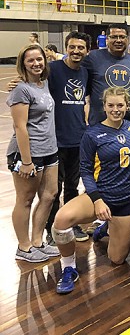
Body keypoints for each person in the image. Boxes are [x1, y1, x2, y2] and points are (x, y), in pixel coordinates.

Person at [52, 87, 130, 294]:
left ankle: (105, 229)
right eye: (111, 105)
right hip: (100, 195)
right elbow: (85, 169)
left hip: (126, 199)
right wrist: (97, 199)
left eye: (120, 105)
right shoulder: (93, 133)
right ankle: (68, 268)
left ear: (127, 106)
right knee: (62, 220)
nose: (116, 109)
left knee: (117, 260)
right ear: (104, 106)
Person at [7, 44, 59, 263]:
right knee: (26, 199)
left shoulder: (43, 84)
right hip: (28, 154)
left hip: (50, 150)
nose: (36, 64)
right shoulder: (22, 90)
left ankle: (37, 241)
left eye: (39, 59)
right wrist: (27, 162)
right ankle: (24, 246)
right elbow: (20, 127)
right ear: (23, 64)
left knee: (49, 195)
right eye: (31, 61)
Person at [45, 32, 92, 244]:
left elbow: (86, 99)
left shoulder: (84, 72)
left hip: (78, 138)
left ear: (87, 51)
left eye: (80, 48)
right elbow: (34, 84)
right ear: (66, 47)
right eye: (72, 47)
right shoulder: (53, 70)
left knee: (73, 186)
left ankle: (71, 223)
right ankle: (52, 229)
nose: (76, 51)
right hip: (56, 139)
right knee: (54, 188)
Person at [81, 23, 130, 125]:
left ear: (127, 39)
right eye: (114, 37)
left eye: (122, 37)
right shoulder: (92, 58)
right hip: (100, 125)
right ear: (107, 39)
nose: (118, 40)